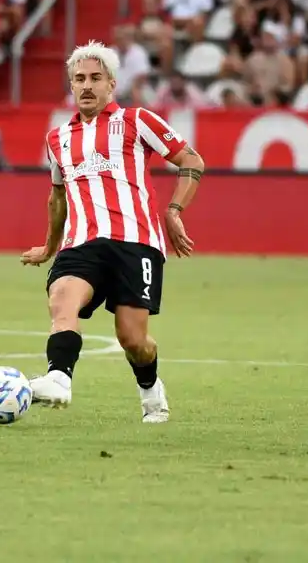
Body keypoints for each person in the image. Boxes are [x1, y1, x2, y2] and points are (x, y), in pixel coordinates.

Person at [20, 40, 204, 423]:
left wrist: (174, 210)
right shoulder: (58, 139)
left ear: (111, 84)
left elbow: (191, 159)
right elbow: (57, 197)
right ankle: (58, 378)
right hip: (81, 241)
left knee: (133, 339)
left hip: (135, 243)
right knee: (62, 300)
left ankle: (151, 391)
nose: (86, 86)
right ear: (71, 85)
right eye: (79, 79)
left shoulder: (137, 121)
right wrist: (49, 247)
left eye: (95, 78)